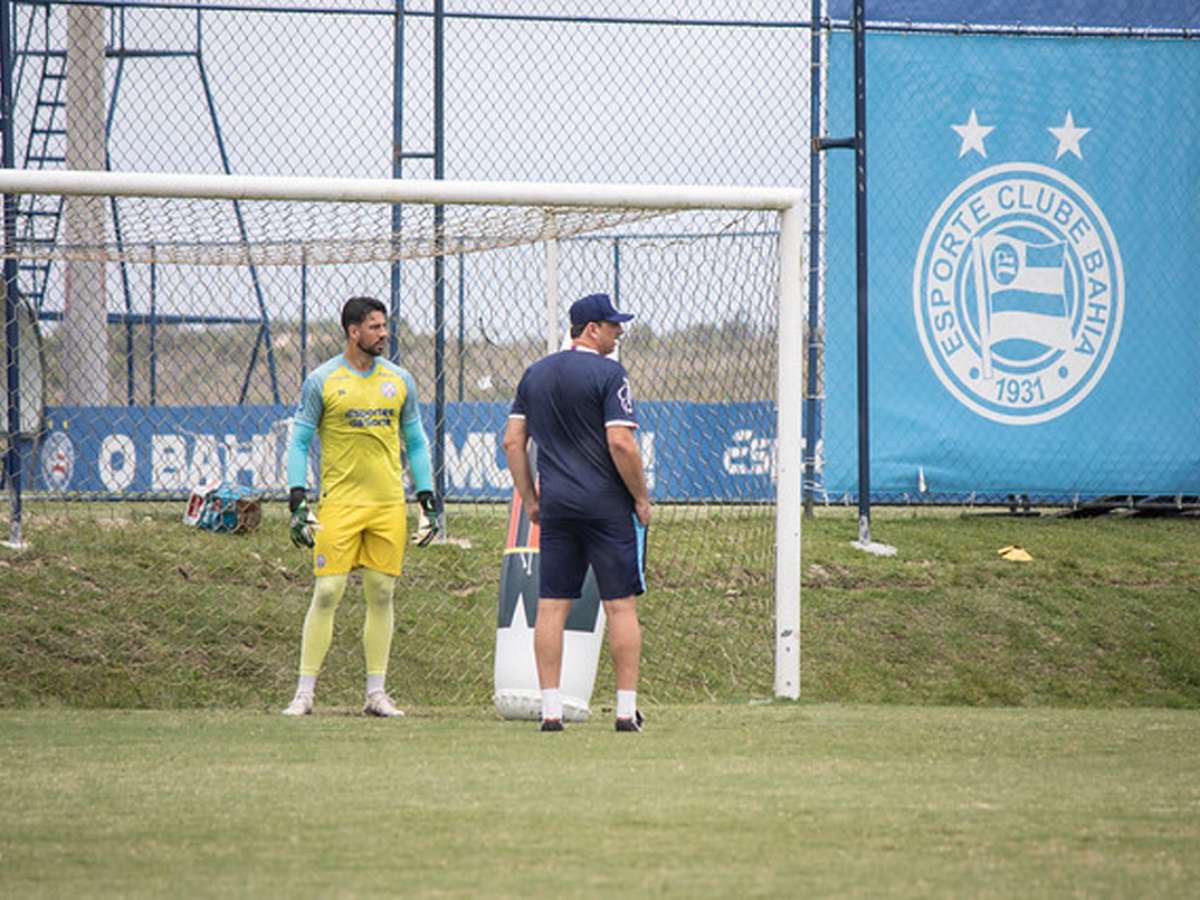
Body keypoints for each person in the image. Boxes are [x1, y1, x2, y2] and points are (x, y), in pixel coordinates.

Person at [281, 296, 439, 718]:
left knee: (382, 592)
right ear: (353, 331)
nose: (383, 334)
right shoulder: (322, 380)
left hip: (388, 502)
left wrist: (427, 497)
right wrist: (297, 497)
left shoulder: (400, 380)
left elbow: (417, 440)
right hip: (340, 503)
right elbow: (298, 441)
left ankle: (376, 693)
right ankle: (304, 693)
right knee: (328, 590)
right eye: (375, 327)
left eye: (384, 326)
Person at [502, 292, 652, 733]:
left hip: (558, 507)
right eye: (612, 325)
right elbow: (621, 443)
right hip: (606, 506)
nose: (619, 331)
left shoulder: (535, 374)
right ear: (592, 329)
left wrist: (530, 499)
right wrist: (640, 498)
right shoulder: (610, 374)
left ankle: (550, 710)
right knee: (621, 606)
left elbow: (513, 442)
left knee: (551, 607)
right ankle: (625, 711)